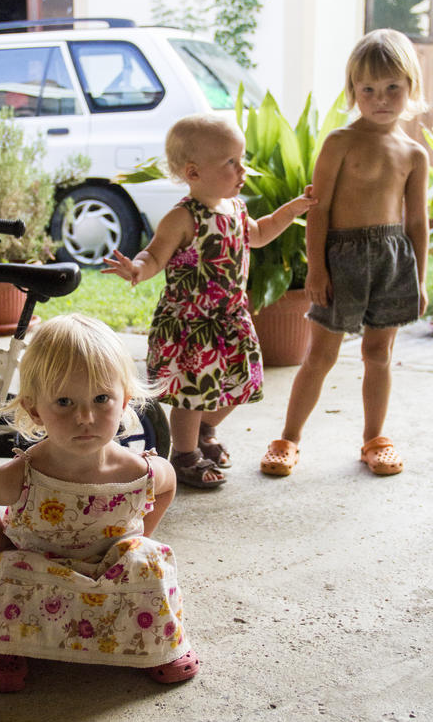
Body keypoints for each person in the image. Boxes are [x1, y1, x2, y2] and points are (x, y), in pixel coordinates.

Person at [0, 313, 199, 692]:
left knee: (149, 559)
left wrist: (135, 538)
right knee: (9, 571)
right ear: (35, 409)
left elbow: (168, 488)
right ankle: (6, 646)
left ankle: (158, 645)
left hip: (111, 576)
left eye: (101, 399)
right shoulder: (24, 475)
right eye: (65, 402)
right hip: (39, 578)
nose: (85, 417)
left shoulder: (142, 470)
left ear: (126, 402)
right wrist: (1, 550)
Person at [102, 114, 316, 489]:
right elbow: (154, 256)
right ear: (194, 172)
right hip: (191, 324)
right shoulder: (183, 217)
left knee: (242, 383)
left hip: (230, 320)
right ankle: (184, 455)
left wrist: (294, 209)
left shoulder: (236, 210)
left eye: (241, 158)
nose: (242, 170)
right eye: (231, 162)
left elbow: (261, 233)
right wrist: (137, 268)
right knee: (191, 395)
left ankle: (205, 430)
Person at [260, 28, 429, 479]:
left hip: (394, 261)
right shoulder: (339, 142)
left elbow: (416, 223)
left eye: (393, 87)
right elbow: (320, 210)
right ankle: (288, 438)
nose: (381, 98)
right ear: (353, 91)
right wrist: (317, 267)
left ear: (411, 87)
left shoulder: (414, 154)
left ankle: (375, 438)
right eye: (368, 89)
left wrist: (421, 279)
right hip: (343, 259)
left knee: (379, 353)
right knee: (321, 355)